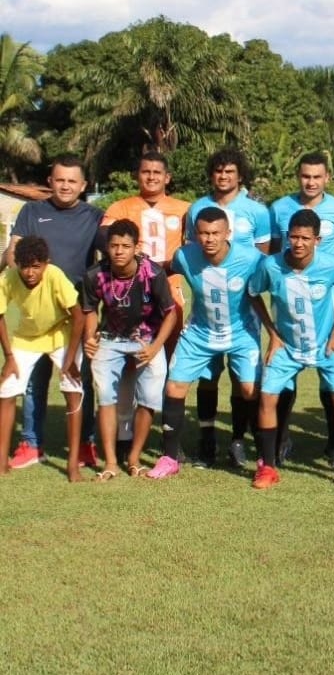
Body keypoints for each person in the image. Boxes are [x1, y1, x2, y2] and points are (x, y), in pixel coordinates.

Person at [2, 154, 102, 470]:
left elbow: (111, 253)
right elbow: (14, 250)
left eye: (72, 181)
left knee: (78, 377)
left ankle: (85, 444)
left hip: (76, 312)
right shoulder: (32, 211)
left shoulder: (95, 216)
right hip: (32, 313)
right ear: (50, 181)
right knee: (33, 381)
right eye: (60, 179)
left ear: (83, 185)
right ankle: (32, 444)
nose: (65, 186)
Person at [151, 207, 263, 479]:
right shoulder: (185, 256)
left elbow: (278, 277)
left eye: (215, 233)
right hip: (200, 333)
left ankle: (260, 456)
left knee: (249, 389)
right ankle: (169, 457)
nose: (209, 239)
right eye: (203, 233)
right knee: (175, 386)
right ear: (194, 235)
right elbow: (159, 269)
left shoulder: (252, 259)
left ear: (228, 234)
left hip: (241, 333)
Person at [248, 209, 334, 490]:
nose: (298, 243)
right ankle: (268, 467)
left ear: (317, 240)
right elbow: (253, 293)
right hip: (287, 346)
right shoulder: (271, 266)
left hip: (324, 346)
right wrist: (272, 334)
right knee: (267, 398)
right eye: (293, 237)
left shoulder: (332, 266)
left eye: (305, 238)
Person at [269, 151, 334, 466]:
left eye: (317, 177)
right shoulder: (279, 209)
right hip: (288, 304)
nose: (311, 182)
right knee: (284, 377)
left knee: (331, 374)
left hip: (327, 305)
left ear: (327, 178)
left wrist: (329, 270)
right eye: (305, 176)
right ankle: (281, 440)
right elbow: (271, 249)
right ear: (299, 176)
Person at [186, 148, 270, 470]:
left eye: (230, 171)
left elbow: (262, 259)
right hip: (206, 307)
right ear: (211, 174)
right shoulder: (197, 209)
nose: (223, 176)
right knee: (207, 378)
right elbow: (191, 254)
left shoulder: (257, 212)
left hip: (243, 308)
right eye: (218, 171)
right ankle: (206, 440)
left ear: (240, 175)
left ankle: (237, 440)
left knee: (242, 380)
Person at [101, 151, 190, 455]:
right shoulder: (120, 206)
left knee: (170, 368)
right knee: (128, 364)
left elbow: (192, 252)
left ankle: (169, 439)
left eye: (157, 172)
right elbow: (105, 242)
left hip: (170, 294)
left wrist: (159, 268)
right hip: (127, 297)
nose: (151, 177)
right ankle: (125, 434)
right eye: (145, 172)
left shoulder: (185, 210)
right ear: (137, 175)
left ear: (167, 177)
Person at [81, 219, 179, 481]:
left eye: (126, 246)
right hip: (110, 339)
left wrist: (156, 346)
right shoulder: (95, 275)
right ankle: (111, 462)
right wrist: (90, 337)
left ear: (137, 247)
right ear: (107, 248)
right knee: (105, 396)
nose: (119, 251)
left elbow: (170, 314)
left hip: (147, 340)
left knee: (149, 396)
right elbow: (90, 311)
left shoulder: (153, 273)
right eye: (114, 246)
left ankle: (134, 456)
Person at [0, 237, 85, 481]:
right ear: (16, 264)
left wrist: (69, 360)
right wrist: (8, 357)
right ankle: (1, 461)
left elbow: (78, 316)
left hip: (61, 334)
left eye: (36, 266)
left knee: (73, 390)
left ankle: (72, 466)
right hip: (26, 338)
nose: (29, 272)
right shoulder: (8, 278)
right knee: (6, 389)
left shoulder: (55, 275)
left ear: (46, 264)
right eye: (24, 266)